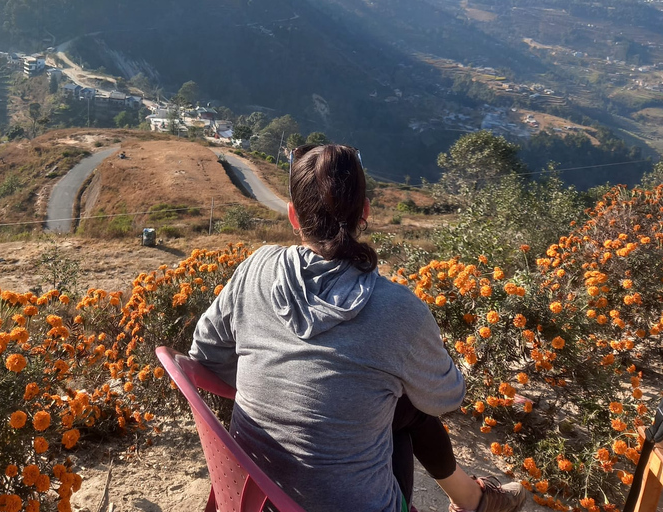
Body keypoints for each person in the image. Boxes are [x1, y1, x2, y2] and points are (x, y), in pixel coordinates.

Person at [189, 144, 526, 512]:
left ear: (293, 216)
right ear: (365, 212)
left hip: (250, 496)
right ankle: (474, 499)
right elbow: (444, 398)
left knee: (387, 405)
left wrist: (282, 386)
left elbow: (204, 355)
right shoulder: (399, 310)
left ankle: (473, 498)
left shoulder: (256, 267)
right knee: (402, 405)